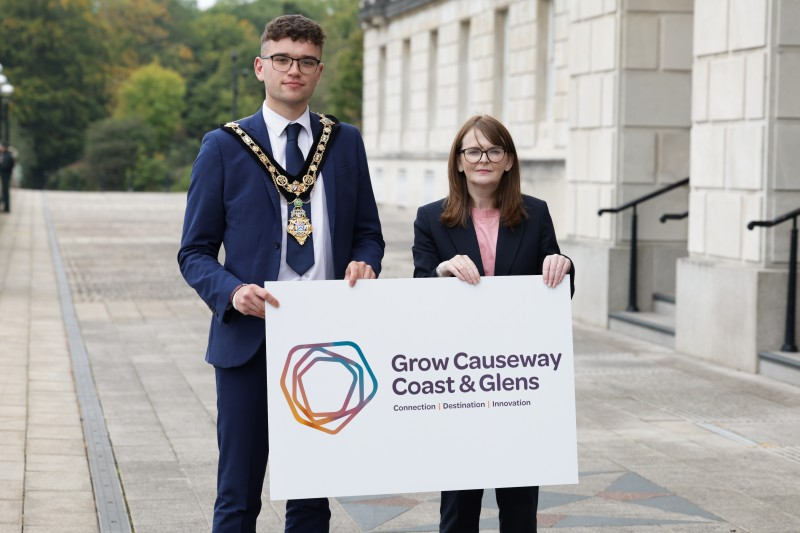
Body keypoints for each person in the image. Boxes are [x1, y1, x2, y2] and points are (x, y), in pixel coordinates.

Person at [178, 14, 384, 533]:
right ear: (260, 66)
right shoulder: (223, 147)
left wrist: (366, 261)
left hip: (326, 341)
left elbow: (368, 232)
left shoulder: (344, 142)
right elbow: (194, 252)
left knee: (312, 498)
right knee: (238, 493)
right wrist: (232, 290)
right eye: (283, 59)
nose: (295, 70)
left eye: (307, 62)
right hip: (251, 338)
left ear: (318, 71)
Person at [412, 114, 575, 533]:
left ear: (508, 161)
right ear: (459, 162)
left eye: (494, 150)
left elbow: (556, 286)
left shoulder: (535, 214)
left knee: (520, 508)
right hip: (460, 379)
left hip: (517, 380)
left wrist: (565, 264)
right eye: (473, 151)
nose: (483, 158)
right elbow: (417, 291)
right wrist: (440, 273)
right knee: (458, 509)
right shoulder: (431, 218)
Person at [0, 144, 14, 213]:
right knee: (4, 191)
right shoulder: (6, 156)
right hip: (5, 175)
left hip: (5, 175)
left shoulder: (6, 156)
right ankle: (6, 207)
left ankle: (7, 207)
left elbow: (5, 166)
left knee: (5, 191)